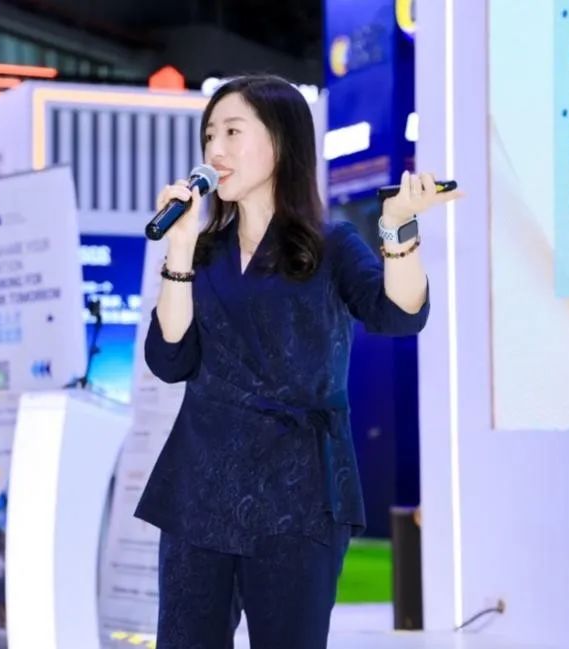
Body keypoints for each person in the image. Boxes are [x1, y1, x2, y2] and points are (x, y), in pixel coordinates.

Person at [134, 75, 463, 649]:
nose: (215, 150)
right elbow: (169, 357)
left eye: (232, 132)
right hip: (200, 487)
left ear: (281, 141)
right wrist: (179, 247)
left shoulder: (331, 245)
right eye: (209, 135)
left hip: (299, 494)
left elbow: (399, 315)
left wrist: (398, 229)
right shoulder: (203, 251)